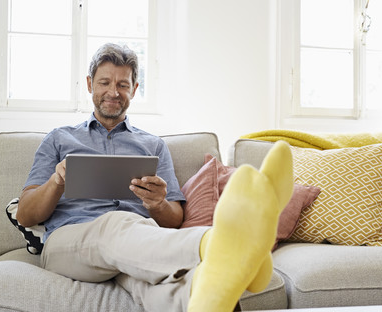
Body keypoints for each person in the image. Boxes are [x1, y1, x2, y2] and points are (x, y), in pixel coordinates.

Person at [17, 43, 294, 311]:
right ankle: (216, 244)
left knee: (176, 286)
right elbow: (26, 215)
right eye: (104, 83)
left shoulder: (153, 146)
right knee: (113, 226)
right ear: (90, 85)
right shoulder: (59, 139)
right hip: (69, 243)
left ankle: (210, 289)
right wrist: (57, 181)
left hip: (137, 244)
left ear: (134, 89)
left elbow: (174, 219)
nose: (113, 92)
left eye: (123, 85)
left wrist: (158, 204)